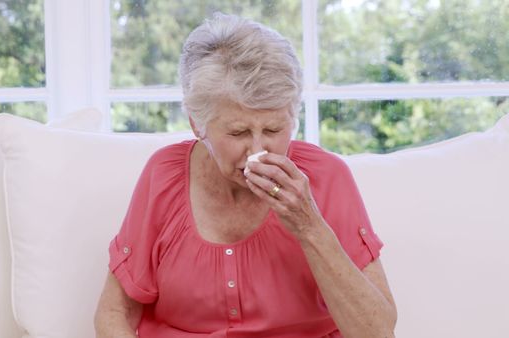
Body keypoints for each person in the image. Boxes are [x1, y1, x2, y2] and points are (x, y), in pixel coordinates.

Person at [95, 13, 397, 338]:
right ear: (198, 124)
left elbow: (377, 332)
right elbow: (115, 312)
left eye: (273, 129)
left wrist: (309, 225)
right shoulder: (163, 175)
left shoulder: (327, 178)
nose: (257, 151)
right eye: (238, 132)